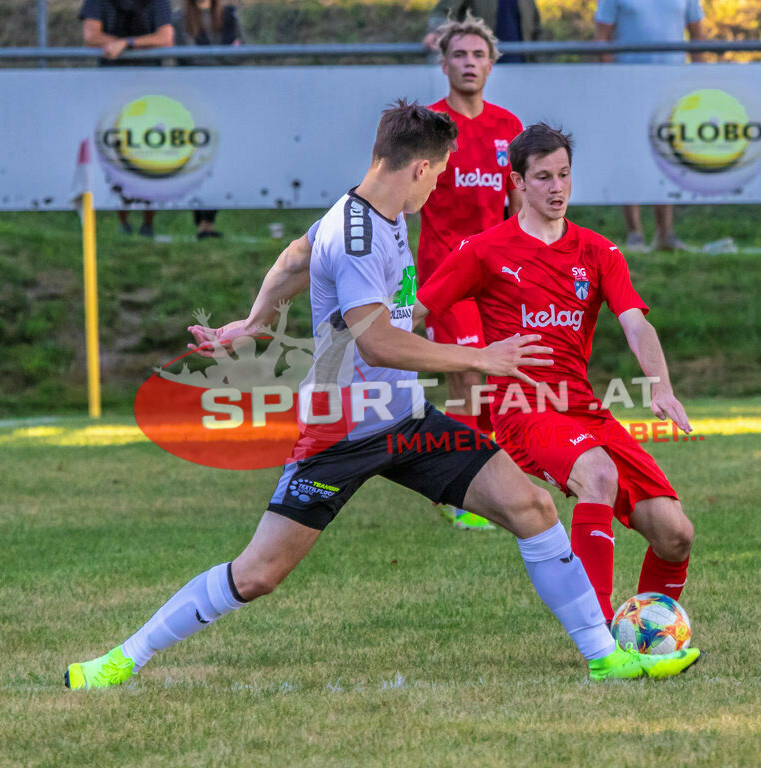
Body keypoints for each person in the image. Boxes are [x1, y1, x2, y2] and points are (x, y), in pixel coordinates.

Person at [63, 103, 700, 691]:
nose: (442, 186)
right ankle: (121, 659)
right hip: (341, 431)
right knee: (257, 574)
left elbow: (294, 258)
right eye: (441, 173)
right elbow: (378, 345)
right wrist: (482, 356)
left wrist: (256, 320)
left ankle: (603, 657)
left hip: (404, 418)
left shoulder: (375, 212)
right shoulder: (359, 236)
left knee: (531, 506)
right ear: (419, 167)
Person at [416, 123, 696, 623]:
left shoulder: (598, 251)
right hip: (523, 412)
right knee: (599, 475)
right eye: (543, 177)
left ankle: (653, 629)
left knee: (675, 534)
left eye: (564, 175)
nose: (557, 187)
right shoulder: (482, 251)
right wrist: (351, 336)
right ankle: (600, 637)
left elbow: (635, 324)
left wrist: (660, 384)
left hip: (585, 411)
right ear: (517, 183)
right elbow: (414, 315)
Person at [418, 15, 523, 531]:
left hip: (497, 275)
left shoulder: (507, 126)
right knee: (466, 374)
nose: (469, 63)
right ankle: (463, 491)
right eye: (459, 55)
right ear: (443, 64)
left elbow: (518, 205)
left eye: (478, 55)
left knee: (497, 379)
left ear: (491, 63)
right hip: (445, 273)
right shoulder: (430, 126)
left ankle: (491, 477)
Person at [593, 0, 706, 253]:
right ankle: (635, 234)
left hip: (672, 88)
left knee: (667, 154)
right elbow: (602, 38)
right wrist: (611, 81)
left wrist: (701, 81)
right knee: (629, 155)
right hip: (627, 87)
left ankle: (665, 234)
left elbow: (698, 37)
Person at [80, 0, 174, 237]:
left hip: (149, 89)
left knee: (150, 155)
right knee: (118, 155)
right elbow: (90, 35)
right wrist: (116, 43)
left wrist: (127, 43)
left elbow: (166, 37)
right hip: (113, 89)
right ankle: (122, 218)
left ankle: (147, 221)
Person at [173, 0, 244, 240]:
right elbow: (190, 56)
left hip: (224, 97)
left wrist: (221, 58)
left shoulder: (229, 16)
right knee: (197, 156)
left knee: (219, 158)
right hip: (194, 97)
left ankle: (209, 222)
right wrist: (222, 58)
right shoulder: (179, 18)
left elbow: (240, 52)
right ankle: (199, 218)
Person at [423, 0, 540, 64]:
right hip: (481, 68)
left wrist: (539, 63)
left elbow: (536, 29)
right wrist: (436, 31)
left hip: (521, 67)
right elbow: (442, 12)